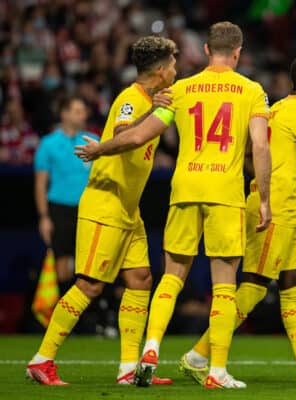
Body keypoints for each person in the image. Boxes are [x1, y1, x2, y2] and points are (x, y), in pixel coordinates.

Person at [75, 21, 272, 389]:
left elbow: (138, 135)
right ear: (238, 51)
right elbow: (260, 147)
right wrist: (264, 197)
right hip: (224, 192)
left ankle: (150, 349)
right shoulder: (252, 91)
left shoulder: (181, 89)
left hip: (183, 189)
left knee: (171, 276)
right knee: (224, 283)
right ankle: (216, 371)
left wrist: (98, 148)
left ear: (206, 49)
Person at [179, 55, 296, 387]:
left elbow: (252, 154)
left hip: (280, 206)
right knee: (254, 285)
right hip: (275, 210)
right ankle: (198, 355)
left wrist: (270, 188)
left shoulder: (276, 109)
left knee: (293, 285)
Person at [27, 36, 178, 386]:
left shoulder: (153, 100)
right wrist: (152, 111)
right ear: (159, 69)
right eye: (172, 64)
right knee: (90, 285)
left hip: (128, 208)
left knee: (140, 280)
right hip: (104, 204)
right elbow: (127, 133)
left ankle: (128, 369)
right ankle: (42, 359)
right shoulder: (132, 98)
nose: (175, 69)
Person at [33, 95, 94, 296]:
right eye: (77, 111)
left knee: (88, 265)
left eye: (83, 110)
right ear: (64, 114)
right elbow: (40, 184)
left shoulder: (93, 142)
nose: (82, 114)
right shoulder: (48, 144)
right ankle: (63, 314)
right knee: (62, 264)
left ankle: (88, 317)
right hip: (59, 209)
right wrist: (44, 218)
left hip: (88, 210)